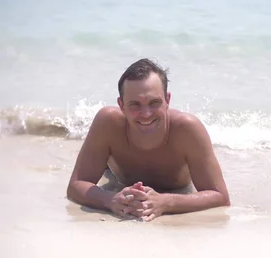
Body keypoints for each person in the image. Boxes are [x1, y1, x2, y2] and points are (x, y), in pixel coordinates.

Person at [66, 58, 230, 221]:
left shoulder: (187, 130)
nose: (146, 114)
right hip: (115, 177)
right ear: (121, 105)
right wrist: (110, 200)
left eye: (154, 102)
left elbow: (220, 197)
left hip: (176, 189)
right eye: (135, 104)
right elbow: (76, 185)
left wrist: (167, 202)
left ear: (167, 100)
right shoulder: (108, 123)